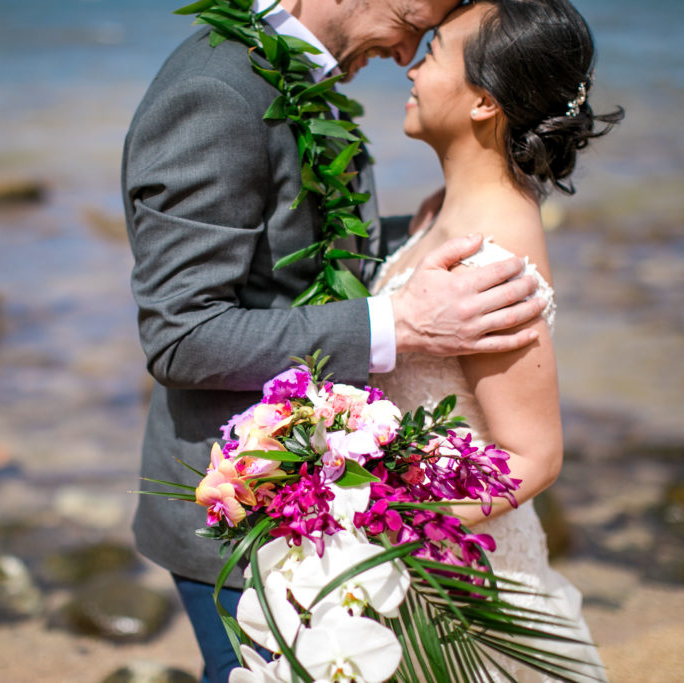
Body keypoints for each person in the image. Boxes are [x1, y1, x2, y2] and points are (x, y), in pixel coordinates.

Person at [122, 1, 552, 680]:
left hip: (319, 513)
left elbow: (290, 250)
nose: (408, 54)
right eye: (420, 22)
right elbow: (181, 334)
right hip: (246, 514)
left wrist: (423, 236)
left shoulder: (297, 71)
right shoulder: (216, 91)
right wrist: (400, 323)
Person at [370, 0, 623, 680]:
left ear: (483, 101)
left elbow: (534, 456)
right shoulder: (443, 207)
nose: (411, 69)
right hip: (421, 567)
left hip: (461, 583)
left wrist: (386, 515)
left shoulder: (492, 262)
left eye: (432, 54)